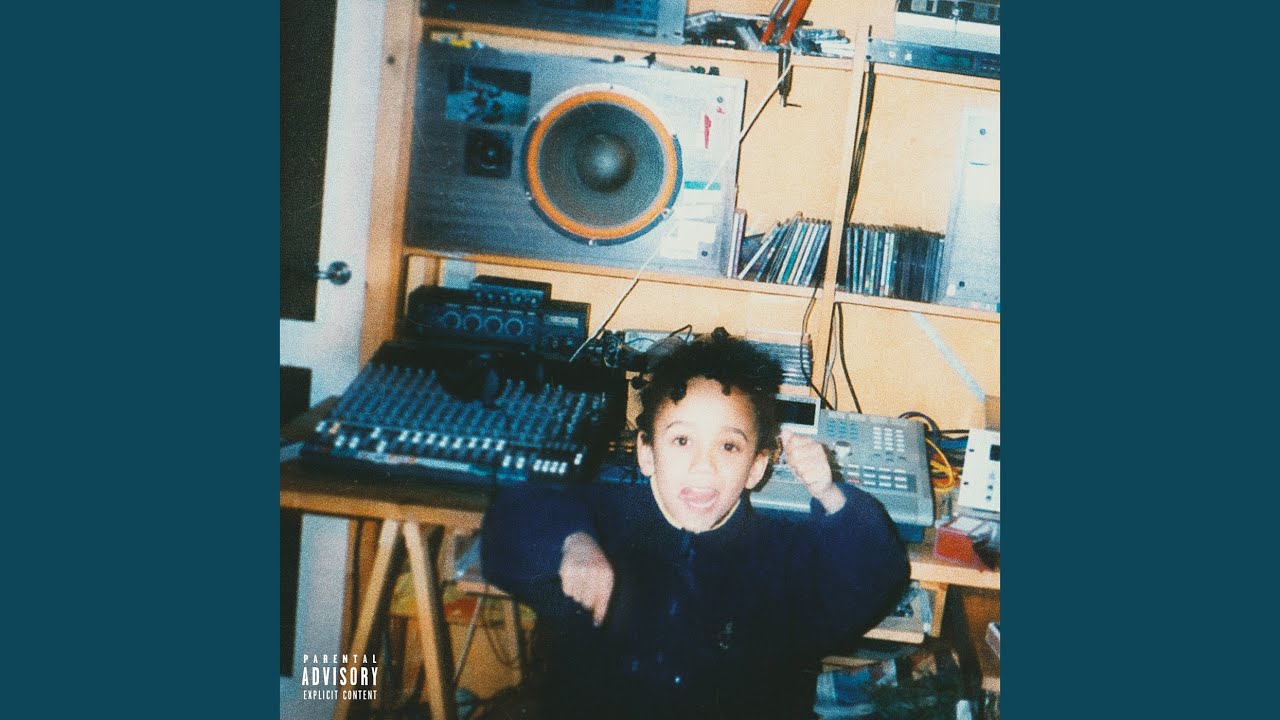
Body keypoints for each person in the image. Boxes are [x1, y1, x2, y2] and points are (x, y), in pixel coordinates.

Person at [480, 330, 910, 719]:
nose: (703, 466)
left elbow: (875, 579)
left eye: (729, 446)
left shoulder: (782, 558)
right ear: (647, 452)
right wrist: (573, 542)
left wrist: (828, 493)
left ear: (757, 466)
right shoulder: (600, 523)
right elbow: (510, 524)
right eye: (682, 440)